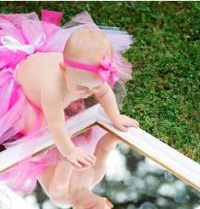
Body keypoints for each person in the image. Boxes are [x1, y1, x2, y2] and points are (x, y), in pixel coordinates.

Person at [0, 10, 137, 168]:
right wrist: (70, 151)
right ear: (63, 69)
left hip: (44, 72)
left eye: (94, 87)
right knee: (41, 128)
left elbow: (105, 92)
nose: (87, 93)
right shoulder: (52, 89)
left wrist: (115, 117)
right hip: (22, 89)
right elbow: (56, 126)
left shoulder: (87, 77)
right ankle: (20, 124)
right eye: (81, 87)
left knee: (83, 95)